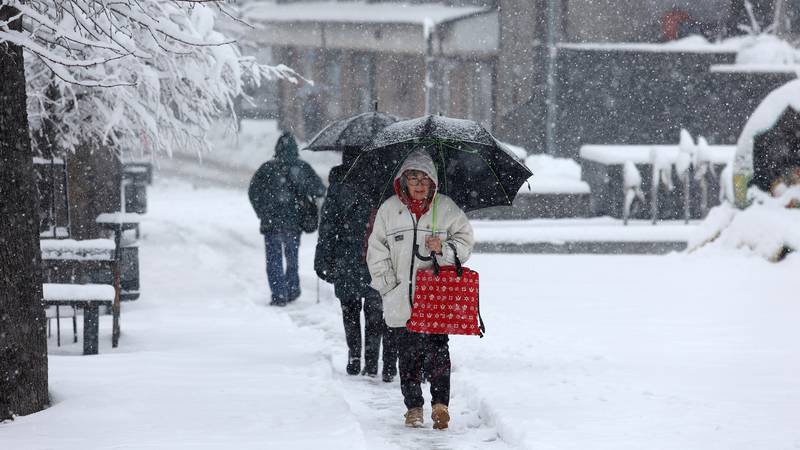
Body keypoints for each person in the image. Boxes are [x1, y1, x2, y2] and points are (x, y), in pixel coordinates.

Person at [366, 150, 474, 430]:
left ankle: (441, 404)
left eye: (425, 179)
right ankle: (413, 407)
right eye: (414, 178)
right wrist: (389, 286)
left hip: (436, 298)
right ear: (403, 181)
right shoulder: (389, 210)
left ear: (433, 182)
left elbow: (466, 242)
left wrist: (446, 249)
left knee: (439, 350)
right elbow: (376, 252)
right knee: (408, 354)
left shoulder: (446, 208)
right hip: (402, 297)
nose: (419, 184)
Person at [315, 149, 399, 380]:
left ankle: (354, 355)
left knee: (350, 309)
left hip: (347, 256)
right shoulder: (387, 183)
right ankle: (372, 362)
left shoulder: (339, 185)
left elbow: (328, 227)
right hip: (377, 257)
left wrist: (323, 259)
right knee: (375, 311)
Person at [248, 131, 325, 306]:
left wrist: (263, 211)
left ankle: (278, 294)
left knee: (273, 260)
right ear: (295, 149)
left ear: (277, 149)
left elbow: (253, 192)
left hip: (271, 223)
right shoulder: (303, 168)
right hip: (294, 223)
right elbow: (320, 189)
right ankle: (292, 289)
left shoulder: (267, 168)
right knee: (292, 258)